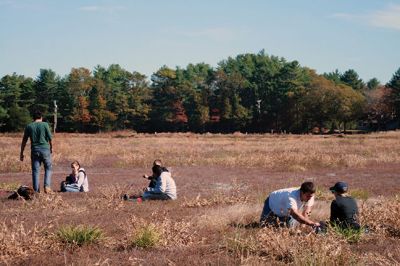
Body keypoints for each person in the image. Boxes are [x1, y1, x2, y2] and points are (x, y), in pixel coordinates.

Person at [20, 109, 53, 193]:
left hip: (34, 150)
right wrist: (51, 148)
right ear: (41, 117)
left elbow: (24, 140)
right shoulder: (45, 124)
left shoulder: (29, 126)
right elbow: (50, 138)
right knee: (48, 168)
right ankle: (47, 186)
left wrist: (21, 153)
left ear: (33, 118)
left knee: (35, 171)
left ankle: (36, 191)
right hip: (45, 149)